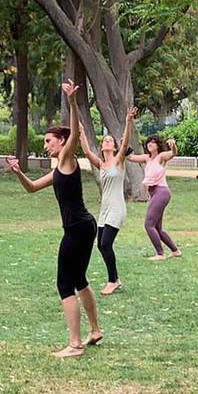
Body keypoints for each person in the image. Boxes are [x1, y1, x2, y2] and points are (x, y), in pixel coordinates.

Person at [6, 81, 102, 358]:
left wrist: (72, 103)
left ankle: (74, 345)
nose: (45, 145)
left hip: (77, 229)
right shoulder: (58, 170)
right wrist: (18, 172)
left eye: (48, 141)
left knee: (64, 283)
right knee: (80, 279)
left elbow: (73, 138)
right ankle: (94, 330)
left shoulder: (67, 159)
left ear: (61, 142)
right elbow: (32, 188)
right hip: (83, 226)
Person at [80, 105, 137, 294]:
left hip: (117, 208)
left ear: (114, 146)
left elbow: (126, 141)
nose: (106, 141)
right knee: (100, 245)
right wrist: (79, 130)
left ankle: (113, 280)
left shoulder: (118, 161)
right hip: (104, 209)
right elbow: (87, 151)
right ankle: (115, 279)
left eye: (109, 140)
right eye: (104, 139)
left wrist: (128, 121)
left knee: (106, 244)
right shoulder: (102, 164)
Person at [129, 135, 181, 260]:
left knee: (148, 224)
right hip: (154, 194)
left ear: (158, 145)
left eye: (153, 143)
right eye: (148, 143)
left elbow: (172, 154)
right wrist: (125, 145)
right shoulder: (147, 158)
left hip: (161, 192)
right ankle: (175, 251)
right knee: (157, 227)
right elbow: (130, 157)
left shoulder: (161, 157)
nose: (150, 144)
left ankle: (160, 254)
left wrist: (173, 146)